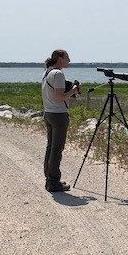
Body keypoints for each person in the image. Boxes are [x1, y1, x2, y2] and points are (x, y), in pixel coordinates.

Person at [42, 49, 79, 192]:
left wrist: (68, 90)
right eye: (67, 58)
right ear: (60, 59)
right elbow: (59, 97)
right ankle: (54, 182)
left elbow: (54, 95)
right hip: (58, 115)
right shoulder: (58, 74)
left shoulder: (47, 72)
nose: (69, 61)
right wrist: (74, 91)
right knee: (57, 149)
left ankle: (49, 179)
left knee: (50, 147)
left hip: (49, 113)